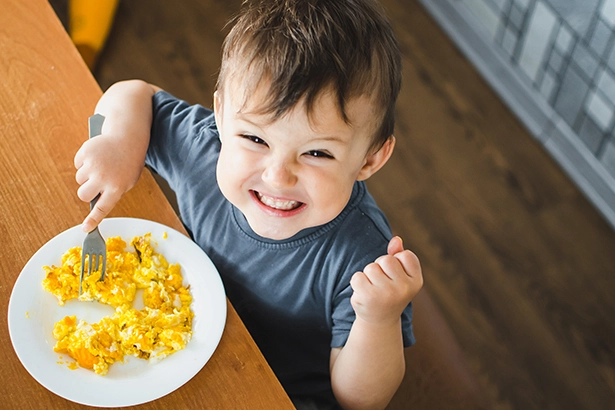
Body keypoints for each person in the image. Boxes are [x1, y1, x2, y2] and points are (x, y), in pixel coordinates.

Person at [74, 0, 423, 408]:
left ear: (369, 160)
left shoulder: (362, 258)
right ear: (221, 114)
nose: (278, 176)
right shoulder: (205, 149)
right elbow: (133, 93)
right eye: (256, 140)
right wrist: (119, 142)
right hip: (181, 351)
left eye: (317, 154)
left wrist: (377, 318)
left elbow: (360, 401)